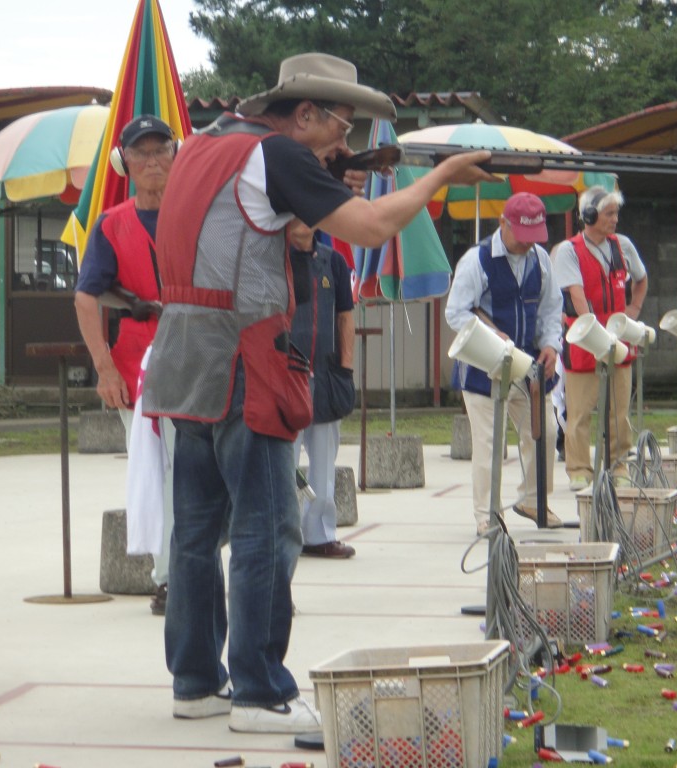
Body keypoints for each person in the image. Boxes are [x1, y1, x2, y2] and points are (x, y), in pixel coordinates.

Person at [140, 52, 493, 734]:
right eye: (340, 127)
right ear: (304, 114)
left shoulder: (202, 146)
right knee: (268, 530)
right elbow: (369, 228)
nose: (346, 144)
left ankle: (195, 681)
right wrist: (442, 174)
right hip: (248, 354)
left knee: (195, 534)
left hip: (186, 355)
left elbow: (247, 233)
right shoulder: (277, 155)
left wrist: (311, 202)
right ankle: (260, 691)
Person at [73, 114, 175, 616]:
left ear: (176, 157)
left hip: (196, 356)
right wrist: (103, 367)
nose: (154, 160)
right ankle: (169, 578)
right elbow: (86, 297)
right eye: (143, 152)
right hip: (136, 363)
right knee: (154, 475)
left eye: (162, 150)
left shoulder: (196, 214)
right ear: (126, 162)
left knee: (198, 473)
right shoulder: (111, 225)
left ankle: (186, 568)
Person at [445, 193, 564, 534]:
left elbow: (550, 308)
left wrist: (552, 346)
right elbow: (456, 312)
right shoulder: (476, 260)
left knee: (546, 431)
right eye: (523, 237)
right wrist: (491, 335)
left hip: (529, 367)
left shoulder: (540, 259)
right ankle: (487, 515)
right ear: (503, 224)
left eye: (535, 238)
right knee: (489, 444)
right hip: (484, 369)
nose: (529, 245)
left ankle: (532, 499)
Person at [552, 186, 649, 491]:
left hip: (619, 337)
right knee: (579, 410)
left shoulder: (623, 246)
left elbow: (641, 278)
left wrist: (634, 307)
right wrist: (595, 332)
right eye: (609, 213)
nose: (615, 219)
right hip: (584, 338)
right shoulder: (569, 250)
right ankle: (579, 468)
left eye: (616, 213)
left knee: (619, 409)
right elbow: (576, 295)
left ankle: (619, 464)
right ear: (589, 215)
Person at [288, 222, 356, 558]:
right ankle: (284, 532)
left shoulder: (334, 262)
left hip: (326, 373)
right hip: (285, 375)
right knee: (284, 460)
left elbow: (345, 315)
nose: (301, 221)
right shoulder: (272, 258)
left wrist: (346, 367)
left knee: (325, 459)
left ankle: (319, 535)